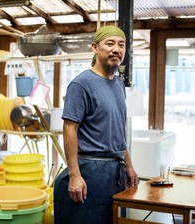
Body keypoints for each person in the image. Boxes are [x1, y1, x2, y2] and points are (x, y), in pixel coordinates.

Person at [54, 25, 138, 224]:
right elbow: (69, 129)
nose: (116, 49)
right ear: (95, 48)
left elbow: (117, 131)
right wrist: (74, 175)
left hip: (114, 175)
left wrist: (129, 166)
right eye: (109, 44)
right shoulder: (81, 84)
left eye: (121, 45)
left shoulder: (119, 85)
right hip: (88, 172)